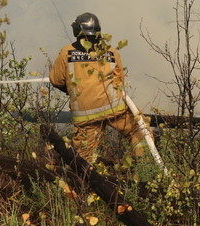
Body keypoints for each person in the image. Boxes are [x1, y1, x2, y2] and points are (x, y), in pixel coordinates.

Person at [49, 12, 151, 163]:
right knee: (140, 131)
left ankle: (81, 183)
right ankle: (145, 169)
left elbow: (56, 80)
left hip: (85, 113)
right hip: (114, 108)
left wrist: (73, 90)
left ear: (77, 30)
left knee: (83, 157)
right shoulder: (111, 51)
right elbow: (120, 80)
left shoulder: (66, 52)